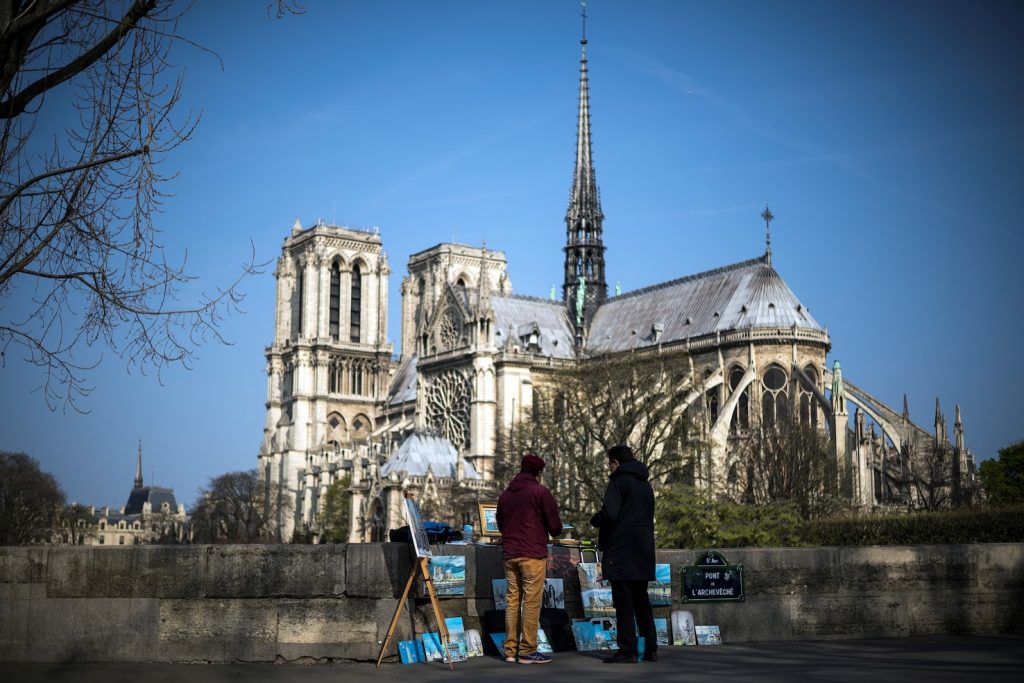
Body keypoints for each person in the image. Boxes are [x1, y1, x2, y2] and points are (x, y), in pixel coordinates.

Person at [590, 444, 657, 664]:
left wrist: (596, 519)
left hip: (622, 551)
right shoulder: (645, 484)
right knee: (642, 602)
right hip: (643, 551)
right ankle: (650, 648)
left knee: (624, 603)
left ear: (616, 462)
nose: (609, 468)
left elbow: (610, 513)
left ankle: (627, 650)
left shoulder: (619, 481)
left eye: (610, 464)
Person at [496, 453, 563, 664]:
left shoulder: (506, 494)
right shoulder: (539, 492)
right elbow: (555, 526)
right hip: (532, 554)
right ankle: (527, 651)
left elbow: (500, 524)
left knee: (512, 602)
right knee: (531, 603)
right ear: (539, 473)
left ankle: (510, 650)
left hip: (510, 554)